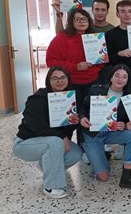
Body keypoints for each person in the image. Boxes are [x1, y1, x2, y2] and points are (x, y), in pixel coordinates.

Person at [13, 67, 83, 198]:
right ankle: (51, 186)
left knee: (76, 153)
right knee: (55, 141)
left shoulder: (70, 98)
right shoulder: (38, 98)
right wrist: (62, 137)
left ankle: (46, 166)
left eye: (63, 78)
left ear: (68, 79)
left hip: (49, 142)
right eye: (54, 78)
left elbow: (66, 127)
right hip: (25, 143)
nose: (59, 81)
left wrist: (75, 120)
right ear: (48, 80)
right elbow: (36, 125)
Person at [80, 64, 131, 191]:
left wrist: (125, 125)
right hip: (93, 134)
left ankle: (127, 176)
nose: (120, 79)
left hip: (111, 133)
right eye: (117, 75)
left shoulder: (130, 97)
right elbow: (82, 108)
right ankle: (97, 155)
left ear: (127, 81)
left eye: (124, 77)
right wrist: (82, 118)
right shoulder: (96, 90)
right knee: (103, 177)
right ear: (111, 77)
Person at [46, 8, 103, 151]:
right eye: (77, 19)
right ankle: (64, 147)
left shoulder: (95, 37)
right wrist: (75, 67)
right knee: (69, 118)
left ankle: (85, 147)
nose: (81, 22)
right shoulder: (62, 37)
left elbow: (101, 61)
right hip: (69, 84)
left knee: (89, 116)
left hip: (92, 82)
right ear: (71, 21)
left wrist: (94, 69)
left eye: (84, 19)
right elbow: (51, 61)